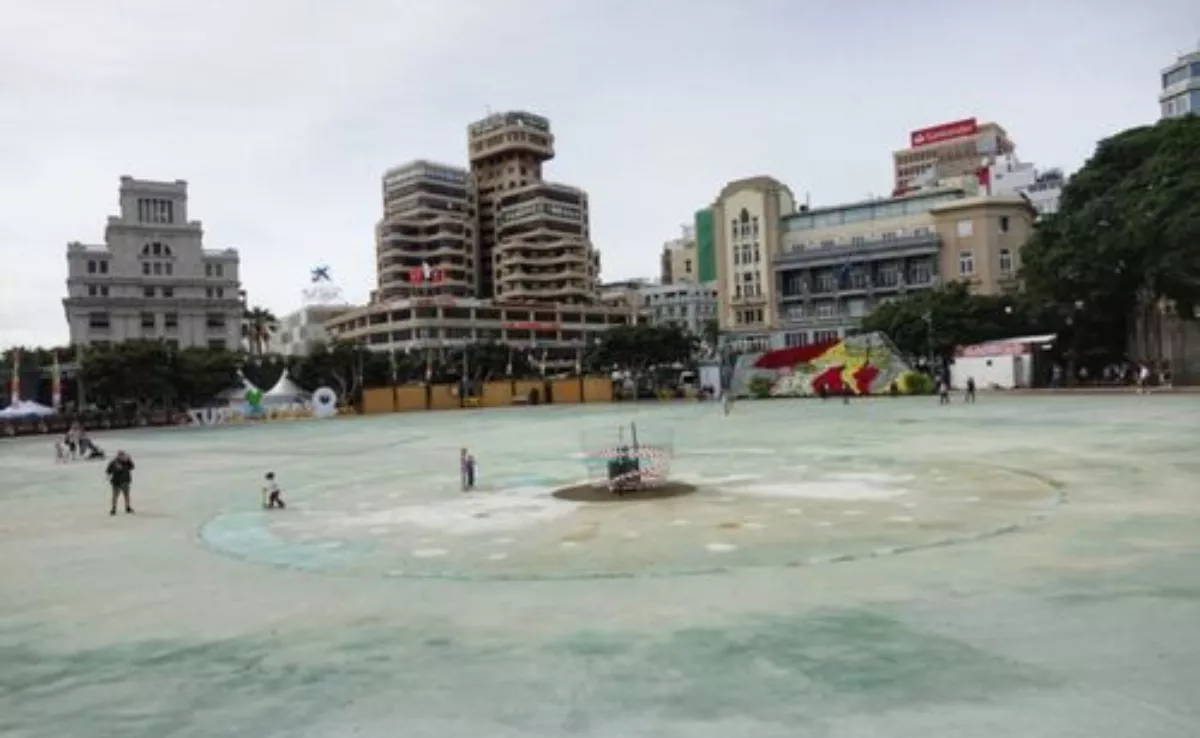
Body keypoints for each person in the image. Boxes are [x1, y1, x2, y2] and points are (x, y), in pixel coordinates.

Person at [105, 450, 135, 516]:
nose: (122, 457)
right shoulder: (113, 463)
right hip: (116, 482)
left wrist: (130, 460)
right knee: (115, 496)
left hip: (125, 482)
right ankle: (113, 509)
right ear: (118, 456)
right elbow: (108, 471)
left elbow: (132, 467)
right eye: (120, 456)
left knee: (126, 496)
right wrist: (115, 469)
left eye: (123, 455)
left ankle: (127, 507)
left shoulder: (127, 462)